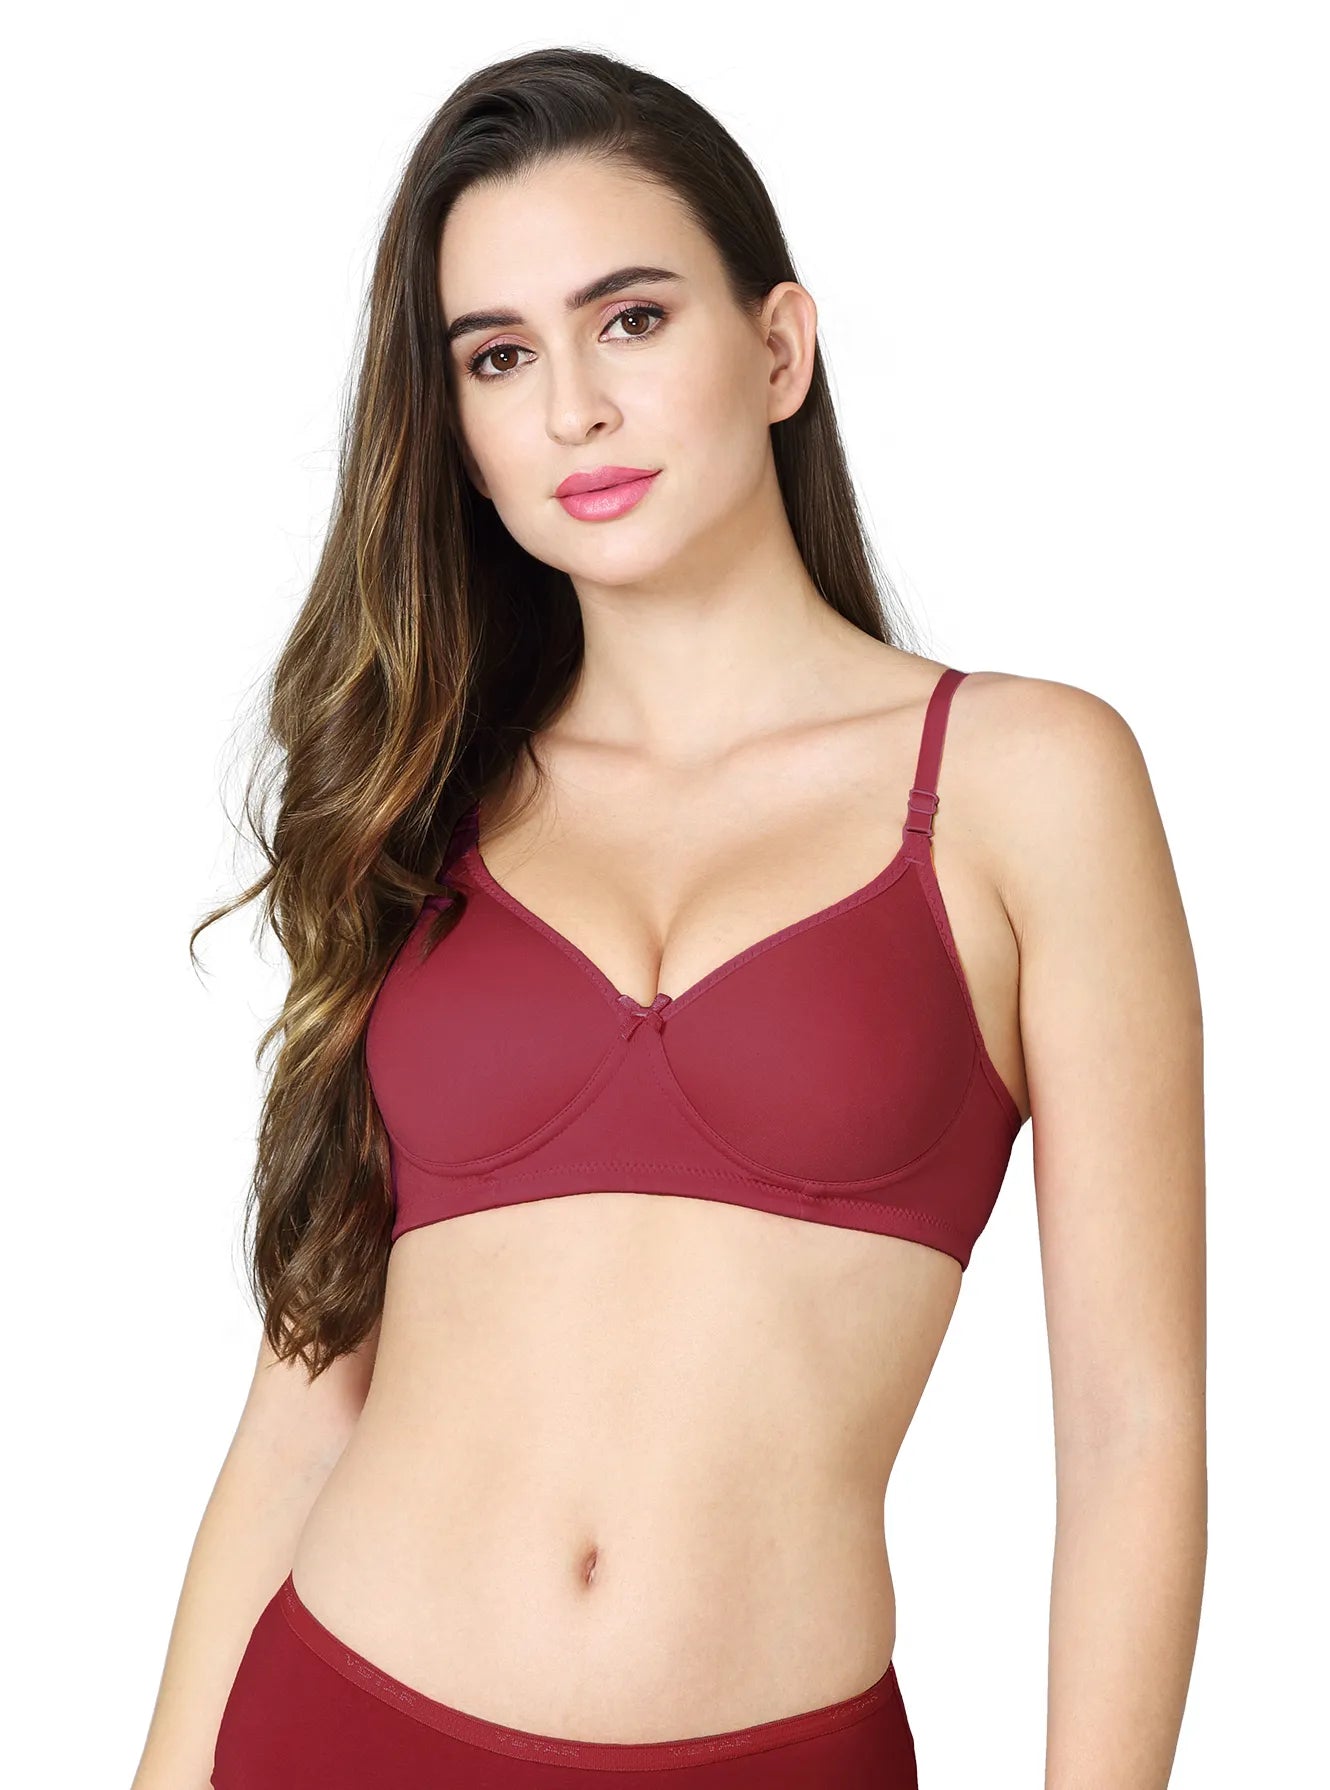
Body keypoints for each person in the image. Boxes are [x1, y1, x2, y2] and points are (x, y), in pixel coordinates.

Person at [132, 46, 1207, 1790]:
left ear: (777, 347)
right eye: (498, 356)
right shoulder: (425, 796)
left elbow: (1129, 1430)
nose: (573, 408)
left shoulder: (1027, 781)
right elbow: (300, 1414)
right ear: (459, 431)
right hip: (334, 1723)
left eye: (628, 321)